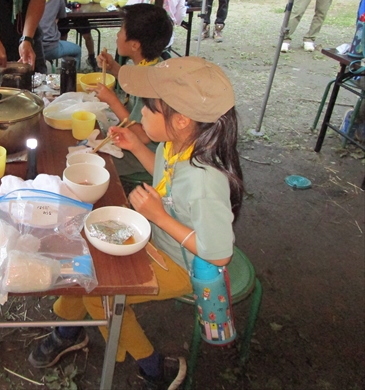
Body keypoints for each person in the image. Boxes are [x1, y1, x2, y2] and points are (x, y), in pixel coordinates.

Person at [28, 56, 244, 390]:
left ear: (182, 120)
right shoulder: (176, 146)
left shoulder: (205, 181)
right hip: (157, 240)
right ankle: (67, 330)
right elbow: (164, 180)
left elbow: (217, 254)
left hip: (182, 262)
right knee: (86, 266)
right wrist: (137, 146)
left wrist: (158, 216)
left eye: (148, 108)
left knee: (100, 293)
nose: (139, 114)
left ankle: (155, 368)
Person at [93, 4, 173, 181]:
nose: (117, 35)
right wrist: (113, 66)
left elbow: (143, 135)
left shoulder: (151, 81)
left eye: (121, 30)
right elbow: (133, 81)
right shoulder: (153, 64)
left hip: (145, 156)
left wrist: (112, 101)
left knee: (90, 163)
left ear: (135, 45)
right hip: (135, 143)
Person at [40, 0, 82, 68]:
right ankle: (71, 79)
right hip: (51, 46)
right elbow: (60, 17)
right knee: (77, 50)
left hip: (31, 45)